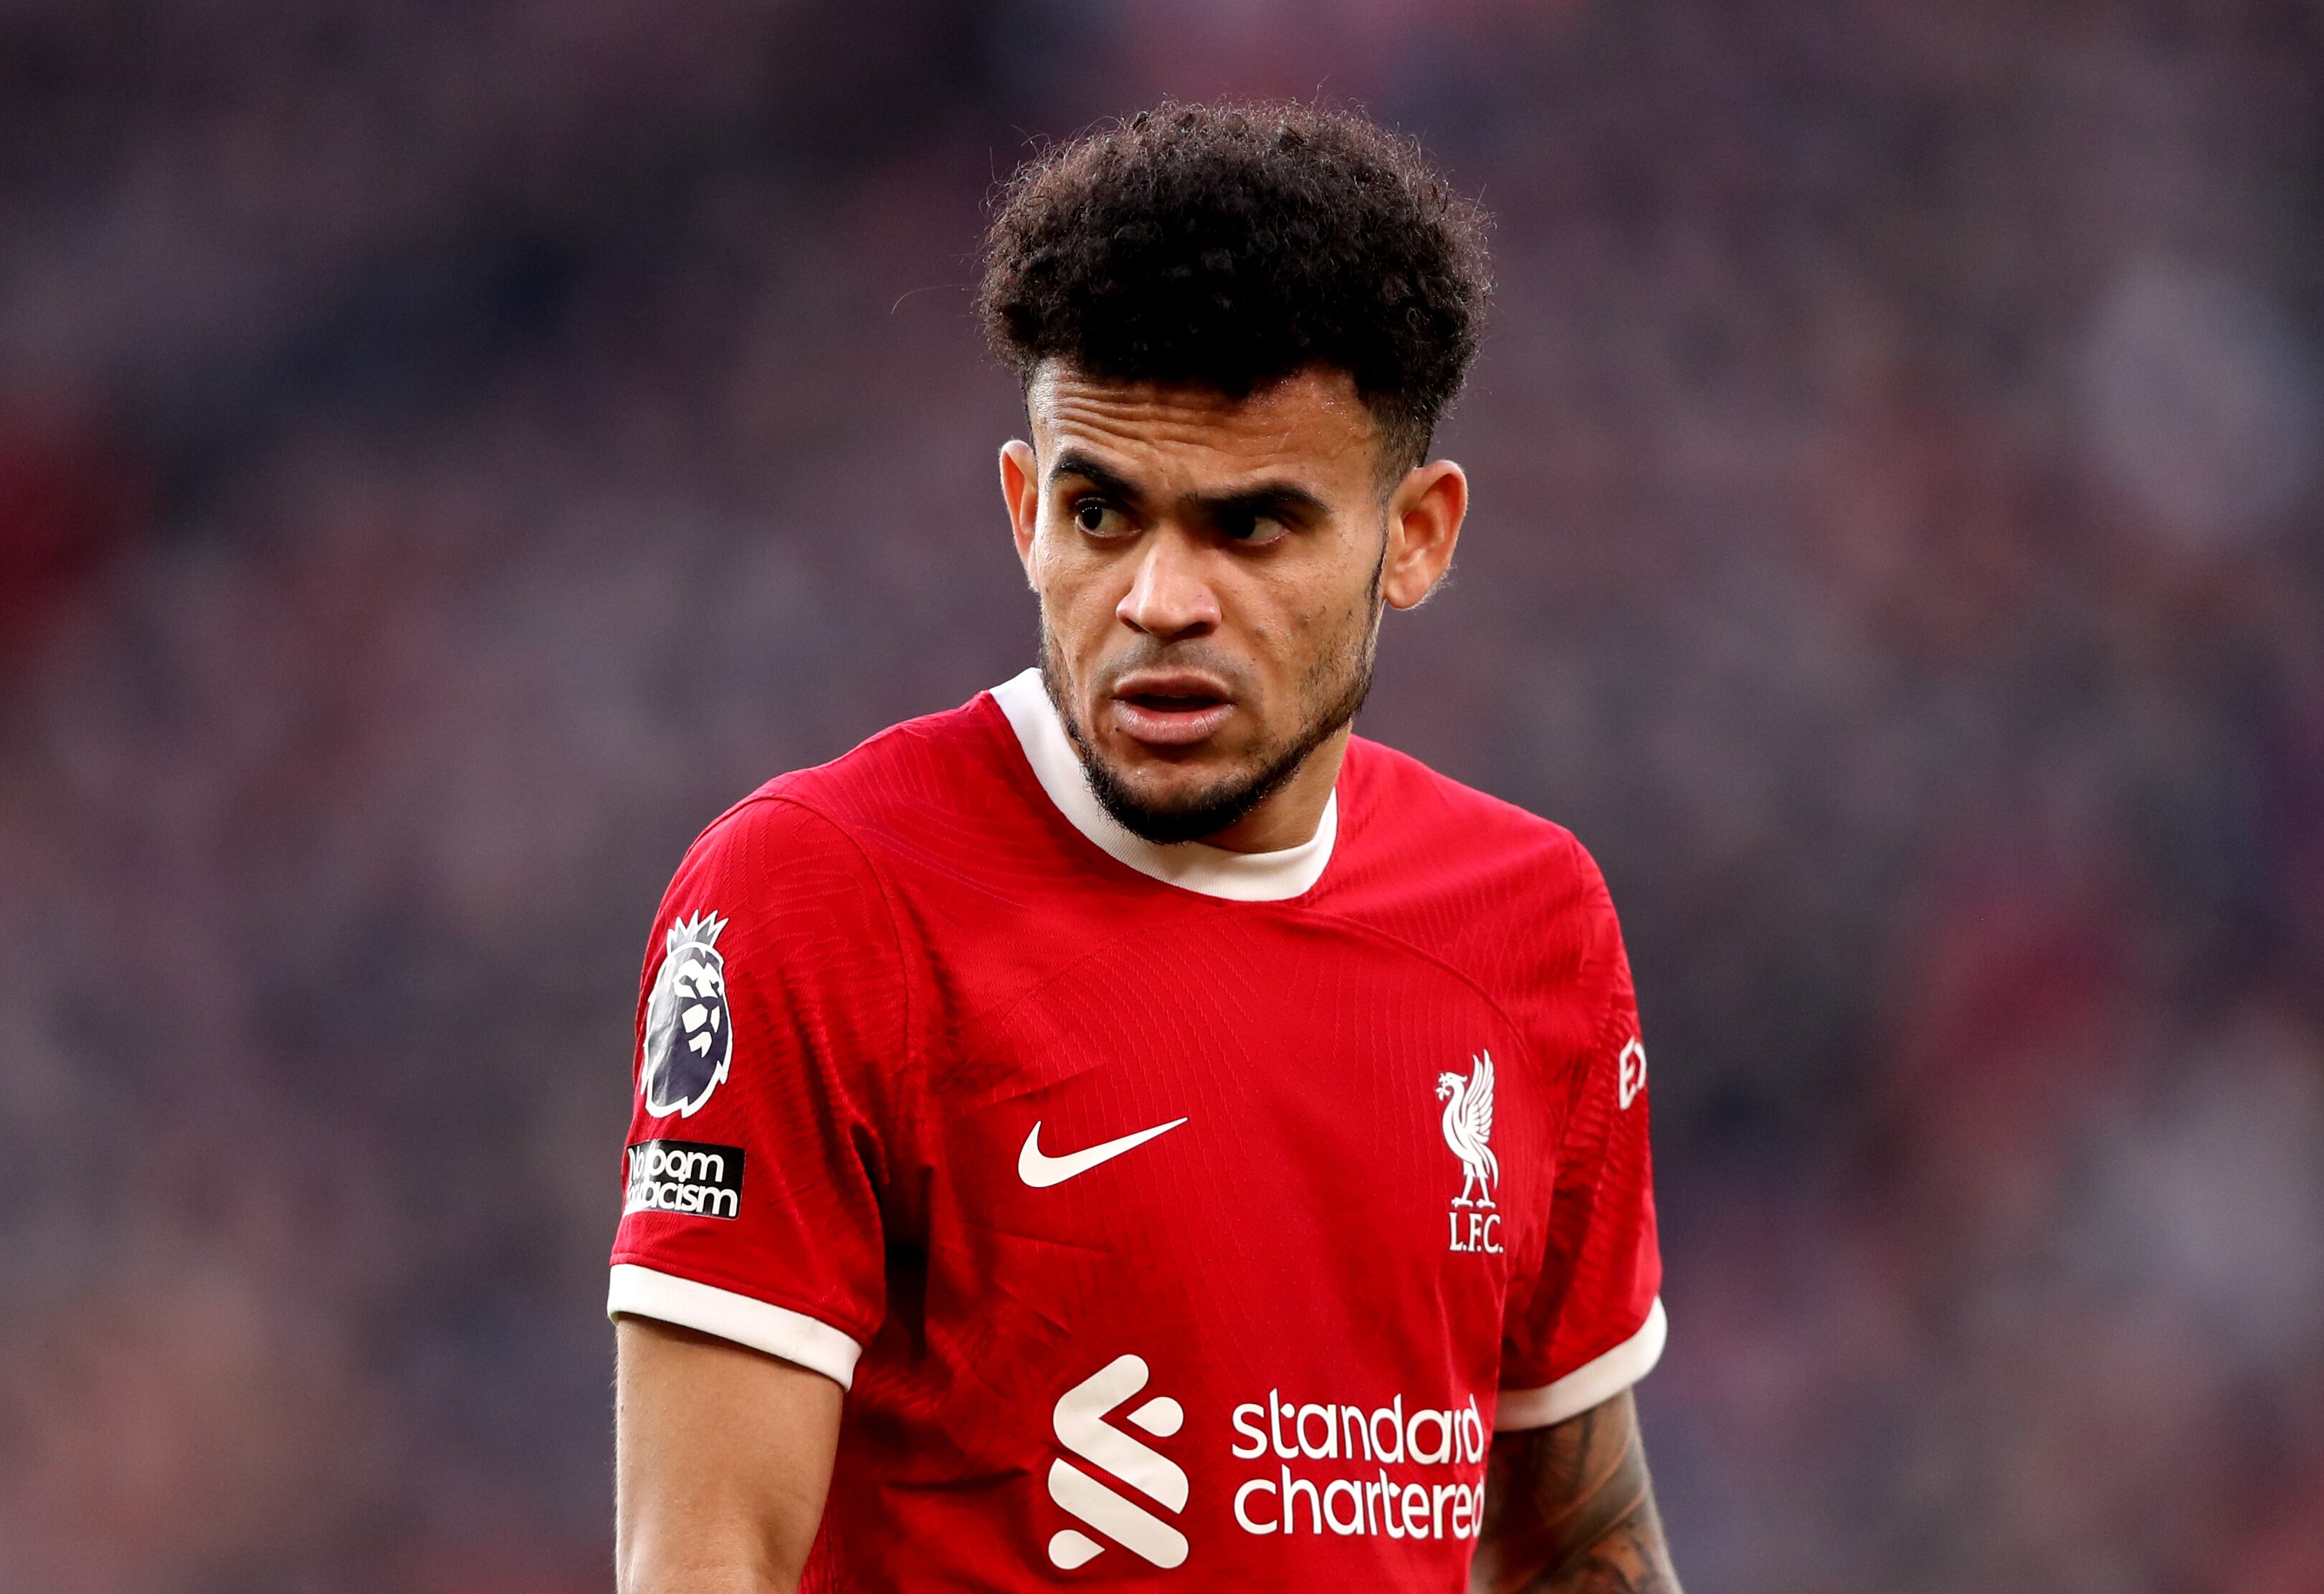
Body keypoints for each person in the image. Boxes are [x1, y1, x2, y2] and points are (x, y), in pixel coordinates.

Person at [610, 100, 1682, 1593]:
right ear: (1020, 508)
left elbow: (1576, 1542)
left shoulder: (1529, 919)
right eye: (1101, 511)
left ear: (1417, 534)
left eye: (1251, 528)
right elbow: (702, 1558)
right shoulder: (819, 893)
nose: (1158, 597)